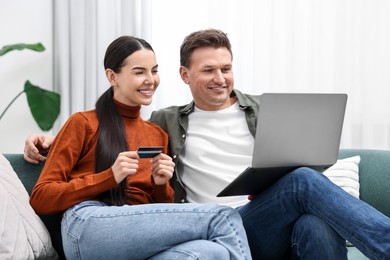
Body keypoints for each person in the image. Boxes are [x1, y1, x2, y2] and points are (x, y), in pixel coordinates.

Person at [25, 29, 390, 259]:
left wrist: (273, 185)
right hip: (208, 222)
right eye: (208, 70)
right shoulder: (166, 122)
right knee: (301, 188)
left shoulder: (266, 110)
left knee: (311, 213)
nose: (221, 78)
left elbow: (307, 170)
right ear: (185, 75)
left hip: (265, 220)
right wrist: (49, 141)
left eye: (226, 68)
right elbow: (102, 131)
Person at [28, 35, 252, 260]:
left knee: (212, 252)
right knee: (222, 217)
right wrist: (109, 176)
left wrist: (161, 185)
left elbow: (160, 212)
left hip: (135, 236)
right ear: (112, 76)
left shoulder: (157, 133)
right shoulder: (83, 122)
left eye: (154, 71)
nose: (150, 80)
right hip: (88, 226)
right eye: (139, 72)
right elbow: (41, 197)